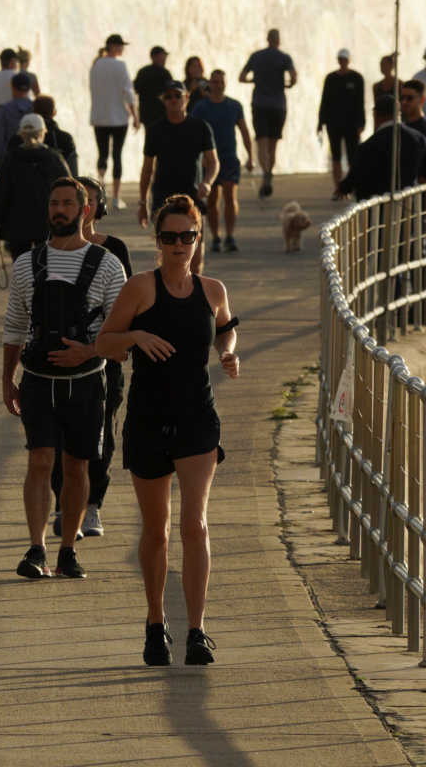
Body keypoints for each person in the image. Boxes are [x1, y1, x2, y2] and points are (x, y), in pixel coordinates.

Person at [95, 194, 240, 667]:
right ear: (157, 240)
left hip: (198, 416)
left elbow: (225, 327)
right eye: (169, 237)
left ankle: (197, 630)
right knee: (156, 531)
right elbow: (104, 342)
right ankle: (156, 623)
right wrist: (135, 336)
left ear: (199, 238)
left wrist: (227, 351)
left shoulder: (213, 289)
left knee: (195, 525)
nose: (179, 245)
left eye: (187, 237)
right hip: (149, 416)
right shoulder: (140, 287)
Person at [2, 177, 128, 581]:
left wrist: (88, 351)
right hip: (38, 379)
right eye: (54, 203)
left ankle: (68, 549)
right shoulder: (27, 263)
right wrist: (8, 379)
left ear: (84, 210)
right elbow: (14, 326)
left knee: (77, 467)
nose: (60, 210)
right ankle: (36, 548)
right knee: (39, 461)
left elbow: (120, 332)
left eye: (68, 204)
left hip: (87, 381)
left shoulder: (108, 264)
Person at [49, 176, 132, 540]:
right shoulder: (45, 251)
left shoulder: (114, 250)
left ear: (95, 207)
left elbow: (127, 305)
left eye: (91, 201)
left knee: (101, 435)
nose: (80, 209)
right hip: (56, 360)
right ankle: (63, 504)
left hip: (104, 361)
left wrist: (112, 346)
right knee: (55, 439)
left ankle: (92, 504)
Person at [0, 114, 71, 261]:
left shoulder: (11, 159)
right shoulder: (54, 159)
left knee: (21, 270)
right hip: (48, 226)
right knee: (45, 268)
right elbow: (70, 191)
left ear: (21, 135)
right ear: (43, 133)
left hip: (16, 226)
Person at [138, 81, 218, 230]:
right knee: (167, 248)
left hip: (193, 195)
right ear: (163, 100)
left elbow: (213, 162)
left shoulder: (201, 127)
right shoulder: (155, 130)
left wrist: (207, 182)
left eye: (177, 95)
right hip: (163, 197)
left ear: (187, 97)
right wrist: (143, 203)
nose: (173, 100)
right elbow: (147, 169)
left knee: (195, 249)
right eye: (168, 97)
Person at [191, 70, 254, 252]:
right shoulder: (201, 107)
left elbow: (244, 131)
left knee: (230, 196)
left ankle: (230, 235)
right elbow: (193, 132)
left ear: (225, 84)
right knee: (212, 200)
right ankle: (216, 236)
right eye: (215, 82)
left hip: (229, 158)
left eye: (221, 82)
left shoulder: (234, 106)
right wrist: (197, 157)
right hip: (209, 160)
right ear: (209, 84)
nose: (218, 85)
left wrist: (250, 156)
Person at [338, 95, 426, 200]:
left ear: (376, 114)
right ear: (399, 113)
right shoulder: (417, 137)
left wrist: (344, 188)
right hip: (409, 199)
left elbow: (357, 171)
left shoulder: (370, 144)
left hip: (377, 204)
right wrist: (425, 177)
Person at [239, 28, 297, 199]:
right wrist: (287, 85)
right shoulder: (285, 57)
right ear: (278, 40)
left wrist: (254, 80)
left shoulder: (256, 56)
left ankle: (265, 173)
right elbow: (294, 77)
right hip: (278, 105)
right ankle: (269, 171)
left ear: (267, 39)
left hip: (260, 103)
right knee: (273, 145)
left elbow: (241, 77)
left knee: (262, 142)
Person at [89, 34, 139, 208]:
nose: (122, 48)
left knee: (102, 153)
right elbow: (128, 92)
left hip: (99, 116)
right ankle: (116, 197)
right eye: (120, 45)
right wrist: (135, 115)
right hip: (118, 118)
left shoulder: (96, 65)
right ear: (113, 46)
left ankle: (100, 189)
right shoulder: (120, 65)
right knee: (117, 155)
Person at [317, 48, 366, 199]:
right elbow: (324, 100)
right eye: (340, 59)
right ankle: (338, 189)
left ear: (348, 60)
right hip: (334, 123)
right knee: (336, 156)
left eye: (344, 59)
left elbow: (360, 102)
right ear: (338, 60)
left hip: (351, 124)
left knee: (353, 157)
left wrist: (361, 123)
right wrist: (320, 121)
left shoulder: (357, 78)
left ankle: (352, 187)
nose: (342, 62)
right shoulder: (331, 78)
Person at [7, 94, 78, 175]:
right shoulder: (65, 139)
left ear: (33, 111)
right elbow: (73, 172)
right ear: (54, 112)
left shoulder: (17, 139)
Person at [0, 72, 35, 176]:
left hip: (10, 163)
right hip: (34, 163)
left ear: (12, 87)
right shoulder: (36, 108)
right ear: (29, 89)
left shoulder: (4, 110)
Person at [134, 46, 173, 129]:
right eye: (162, 56)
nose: (164, 59)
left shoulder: (143, 71)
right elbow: (171, 90)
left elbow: (136, 88)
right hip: (161, 113)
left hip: (147, 113)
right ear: (154, 57)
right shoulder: (165, 73)